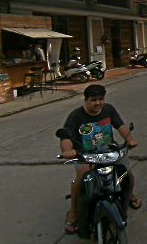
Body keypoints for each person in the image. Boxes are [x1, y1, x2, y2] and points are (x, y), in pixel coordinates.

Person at [60, 84, 140, 234]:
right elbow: (66, 137)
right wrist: (67, 151)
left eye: (100, 99)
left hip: (109, 151)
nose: (98, 103)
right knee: (81, 178)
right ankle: (73, 213)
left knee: (127, 175)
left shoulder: (109, 109)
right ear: (85, 100)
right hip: (85, 155)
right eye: (93, 100)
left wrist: (129, 139)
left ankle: (129, 195)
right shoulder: (75, 116)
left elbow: (121, 126)